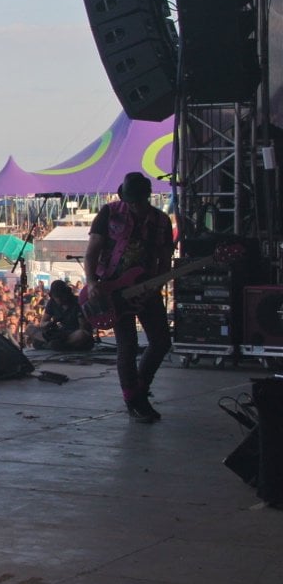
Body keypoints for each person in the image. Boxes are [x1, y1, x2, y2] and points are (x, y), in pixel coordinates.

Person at [83, 171, 174, 423]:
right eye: (130, 201)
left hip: (146, 288)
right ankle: (133, 399)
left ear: (147, 197)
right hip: (112, 289)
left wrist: (156, 285)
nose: (134, 206)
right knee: (128, 345)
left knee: (161, 342)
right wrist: (92, 282)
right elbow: (92, 252)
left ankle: (140, 388)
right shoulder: (109, 213)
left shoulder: (161, 221)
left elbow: (165, 261)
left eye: (138, 201)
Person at [27, 280, 93, 351]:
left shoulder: (77, 302)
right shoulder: (52, 302)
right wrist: (50, 324)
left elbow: (83, 327)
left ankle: (53, 344)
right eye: (56, 297)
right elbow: (42, 323)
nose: (59, 299)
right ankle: (55, 344)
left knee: (82, 335)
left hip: (73, 333)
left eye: (61, 296)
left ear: (66, 293)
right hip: (58, 333)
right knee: (29, 328)